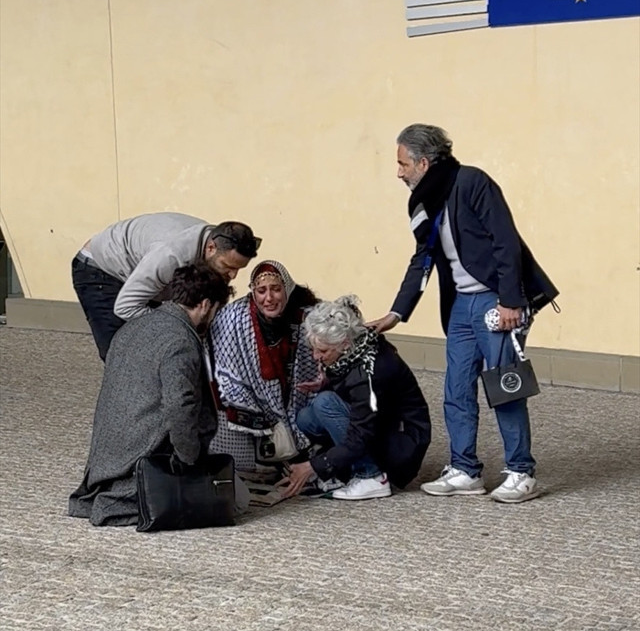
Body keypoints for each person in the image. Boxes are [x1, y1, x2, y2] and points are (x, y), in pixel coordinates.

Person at [369, 124, 558, 503]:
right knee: (455, 389)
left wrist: (510, 302)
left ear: (423, 162)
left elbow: (505, 242)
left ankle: (521, 471)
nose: (399, 172)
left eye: (402, 163)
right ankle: (465, 470)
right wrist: (396, 313)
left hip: (495, 300)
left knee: (505, 386)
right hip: (460, 306)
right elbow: (422, 257)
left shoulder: (472, 182)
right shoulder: (423, 200)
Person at [69, 263, 233, 527]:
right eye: (216, 310)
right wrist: (188, 464)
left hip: (105, 458)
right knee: (230, 498)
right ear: (205, 305)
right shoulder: (180, 341)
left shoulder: (132, 327)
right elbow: (181, 407)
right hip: (138, 457)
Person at [277, 295, 431, 501]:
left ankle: (371, 476)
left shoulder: (370, 372)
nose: (315, 357)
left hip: (402, 444)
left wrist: (314, 466)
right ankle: (345, 470)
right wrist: (325, 381)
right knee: (307, 416)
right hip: (381, 424)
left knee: (325, 404)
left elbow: (361, 432)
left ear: (345, 343)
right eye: (313, 349)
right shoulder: (355, 350)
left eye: (322, 350)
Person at [71, 212, 260, 359]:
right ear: (210, 248)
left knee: (169, 345)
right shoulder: (171, 255)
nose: (233, 275)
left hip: (144, 271)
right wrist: (175, 325)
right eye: (228, 267)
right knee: (120, 353)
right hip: (100, 270)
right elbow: (125, 307)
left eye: (239, 269)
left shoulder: (217, 243)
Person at [209, 260, 319, 472]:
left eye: (276, 290)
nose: (268, 298)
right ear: (253, 293)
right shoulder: (232, 318)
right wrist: (266, 412)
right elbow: (226, 375)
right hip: (248, 403)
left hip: (294, 402)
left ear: (287, 289)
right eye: (261, 291)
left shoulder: (305, 318)